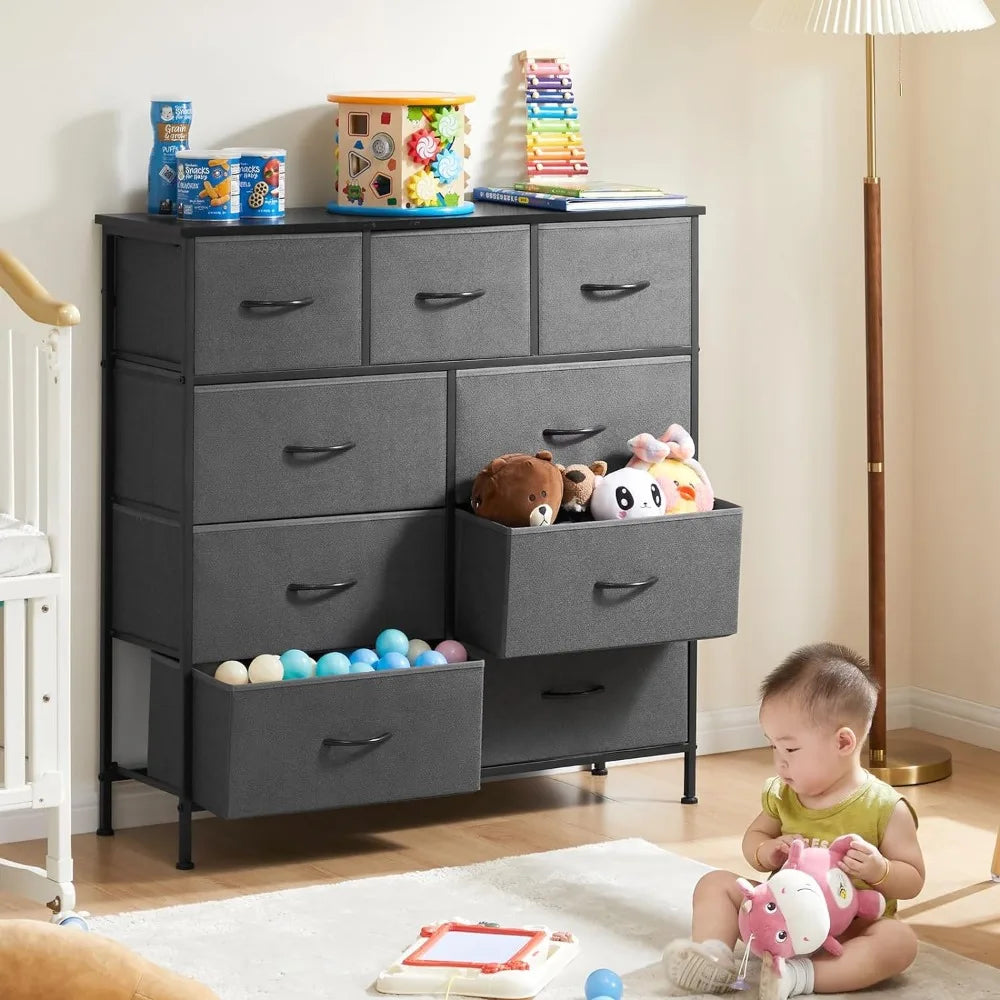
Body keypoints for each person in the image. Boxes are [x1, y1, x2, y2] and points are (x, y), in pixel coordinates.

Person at [663, 642, 924, 1000]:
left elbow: (912, 880)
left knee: (899, 942)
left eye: (790, 749)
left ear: (843, 742)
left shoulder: (885, 807)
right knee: (715, 883)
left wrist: (879, 870)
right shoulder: (783, 794)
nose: (779, 762)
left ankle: (803, 977)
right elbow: (754, 838)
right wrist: (766, 851)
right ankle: (712, 959)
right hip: (775, 919)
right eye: (773, 747)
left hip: (846, 933)